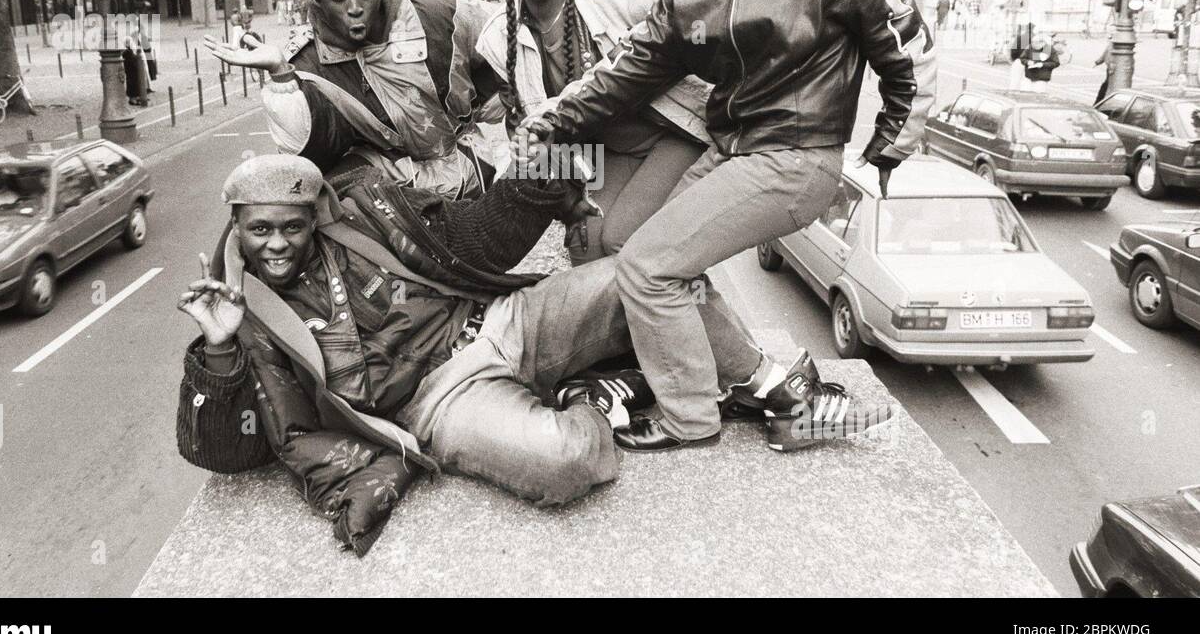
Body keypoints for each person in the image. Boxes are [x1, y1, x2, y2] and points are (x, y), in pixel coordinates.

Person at [175, 153, 893, 553]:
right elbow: (224, 454)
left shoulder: (367, 219)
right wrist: (217, 351)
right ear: (237, 226)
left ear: (314, 217)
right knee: (566, 465)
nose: (277, 244)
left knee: (647, 272)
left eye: (291, 227)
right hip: (440, 402)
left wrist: (556, 158)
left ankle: (772, 390)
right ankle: (597, 402)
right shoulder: (238, 314)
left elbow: (484, 220)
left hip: (500, 321)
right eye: (260, 230)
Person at [514, 0, 935, 452]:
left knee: (650, 268)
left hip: (796, 157)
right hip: (733, 151)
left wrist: (894, 135)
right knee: (633, 244)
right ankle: (776, 389)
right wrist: (552, 117)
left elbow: (905, 45)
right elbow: (626, 71)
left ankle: (690, 417)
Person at [476, 0, 709, 264]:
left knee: (623, 242)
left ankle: (685, 315)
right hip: (606, 154)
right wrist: (568, 202)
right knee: (585, 246)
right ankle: (620, 323)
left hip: (674, 135)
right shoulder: (496, 38)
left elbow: (700, 11)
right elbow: (528, 135)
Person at [207, 0, 501, 199]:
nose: (355, 7)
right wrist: (281, 75)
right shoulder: (308, 64)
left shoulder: (441, 10)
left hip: (473, 170)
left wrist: (533, 152)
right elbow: (307, 157)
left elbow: (519, 56)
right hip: (392, 197)